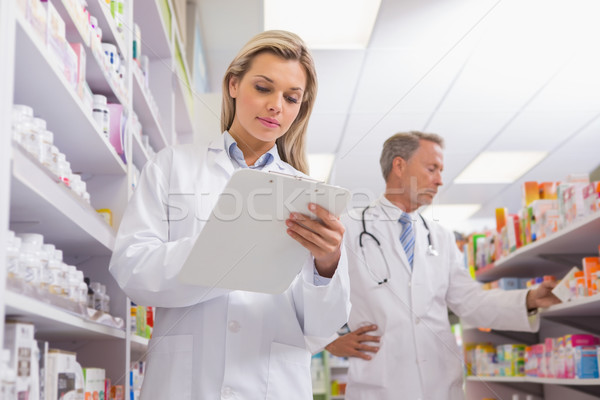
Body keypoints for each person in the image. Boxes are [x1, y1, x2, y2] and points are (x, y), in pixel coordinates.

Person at [109, 30, 350, 399]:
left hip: (272, 385)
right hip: (185, 385)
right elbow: (131, 269)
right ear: (234, 84)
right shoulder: (173, 166)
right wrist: (223, 252)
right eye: (263, 88)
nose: (276, 106)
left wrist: (327, 265)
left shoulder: (310, 196)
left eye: (291, 98)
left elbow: (321, 331)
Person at [324, 131, 560, 400]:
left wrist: (529, 299)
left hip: (441, 385)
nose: (439, 180)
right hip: (380, 386)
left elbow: (470, 302)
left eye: (440, 171)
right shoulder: (349, 228)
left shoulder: (441, 237)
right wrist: (328, 340)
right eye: (432, 168)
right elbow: (314, 289)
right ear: (399, 166)